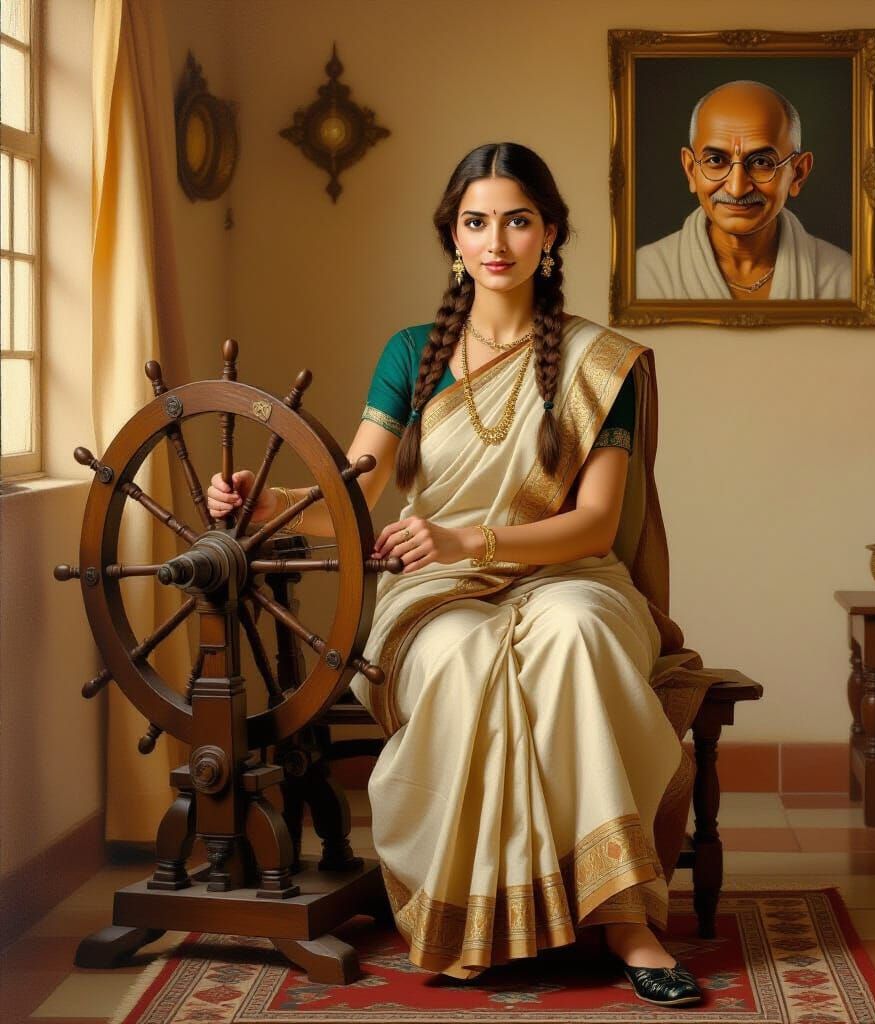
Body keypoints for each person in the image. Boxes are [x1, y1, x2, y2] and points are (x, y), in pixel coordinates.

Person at [208, 142, 712, 1007]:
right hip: (432, 589)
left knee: (575, 635)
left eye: (517, 220)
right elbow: (356, 492)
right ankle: (474, 910)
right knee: (464, 659)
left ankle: (623, 914)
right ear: (454, 236)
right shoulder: (413, 353)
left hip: (570, 574)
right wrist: (267, 502)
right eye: (477, 221)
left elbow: (592, 522)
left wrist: (468, 539)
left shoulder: (602, 365)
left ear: (549, 234)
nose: (497, 241)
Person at [635, 80, 851, 300]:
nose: (737, 189)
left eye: (761, 163)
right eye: (716, 160)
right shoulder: (644, 276)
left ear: (797, 174)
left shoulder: (842, 280)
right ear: (691, 170)